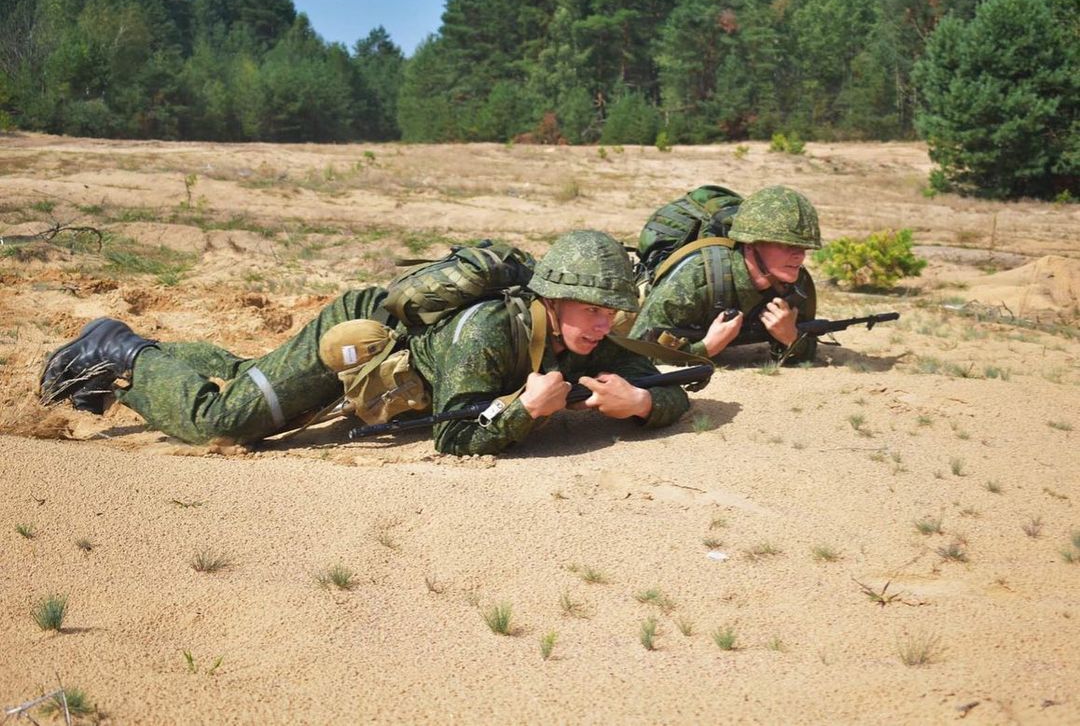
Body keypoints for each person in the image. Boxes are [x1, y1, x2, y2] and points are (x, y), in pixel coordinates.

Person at [39, 230, 690, 455]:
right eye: (595, 310)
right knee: (231, 422)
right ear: (552, 297)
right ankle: (123, 351)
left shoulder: (584, 335)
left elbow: (673, 386)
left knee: (250, 375)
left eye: (613, 312)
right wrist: (527, 410)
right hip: (356, 344)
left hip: (396, 349)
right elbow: (455, 436)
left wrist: (640, 404)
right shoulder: (486, 334)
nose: (606, 325)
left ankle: (163, 357)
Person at [629, 185, 821, 363]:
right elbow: (636, 354)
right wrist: (705, 349)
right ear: (751, 242)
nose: (800, 255)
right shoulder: (695, 277)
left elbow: (807, 351)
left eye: (804, 247)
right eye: (787, 245)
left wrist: (791, 338)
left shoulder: (795, 285)